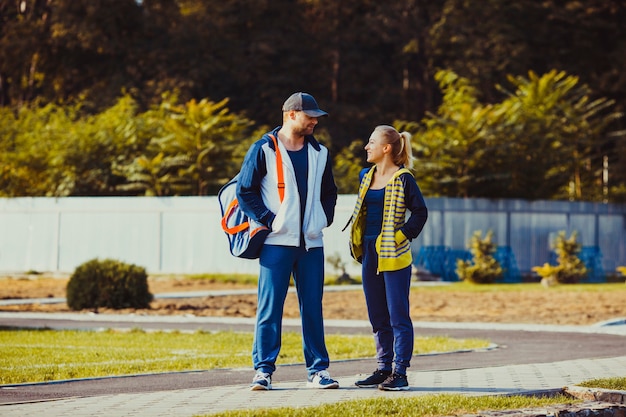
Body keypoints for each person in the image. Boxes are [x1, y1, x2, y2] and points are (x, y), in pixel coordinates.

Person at [236, 92, 339, 391]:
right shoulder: (263, 149)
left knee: (313, 308)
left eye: (316, 116)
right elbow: (245, 191)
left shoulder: (320, 152)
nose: (315, 121)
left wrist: (323, 219)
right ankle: (263, 371)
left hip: (311, 244)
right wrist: (270, 221)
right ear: (291, 114)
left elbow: (329, 192)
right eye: (310, 116)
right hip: (276, 244)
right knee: (270, 308)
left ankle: (318, 371)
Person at [345, 125, 428, 391]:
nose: (366, 147)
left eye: (371, 142)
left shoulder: (404, 178)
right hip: (369, 252)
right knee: (377, 315)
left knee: (398, 316)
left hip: (394, 255)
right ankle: (383, 369)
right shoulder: (365, 176)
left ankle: (400, 373)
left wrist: (401, 236)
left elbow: (420, 213)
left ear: (386, 148)